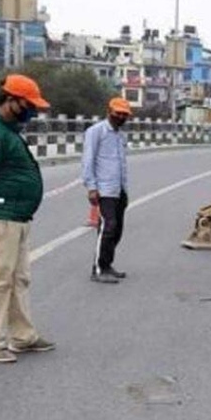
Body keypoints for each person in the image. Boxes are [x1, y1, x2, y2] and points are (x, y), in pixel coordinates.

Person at [0, 74, 56, 363]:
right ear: (11, 101)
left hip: (15, 218)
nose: (32, 111)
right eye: (28, 105)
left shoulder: (8, 131)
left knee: (18, 279)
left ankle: (22, 336)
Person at [82, 97, 132, 284]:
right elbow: (88, 160)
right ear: (109, 111)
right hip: (104, 190)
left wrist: (124, 189)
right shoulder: (96, 132)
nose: (121, 116)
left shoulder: (120, 135)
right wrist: (92, 187)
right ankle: (97, 269)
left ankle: (107, 264)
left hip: (119, 189)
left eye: (124, 114)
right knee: (107, 227)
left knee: (117, 229)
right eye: (118, 113)